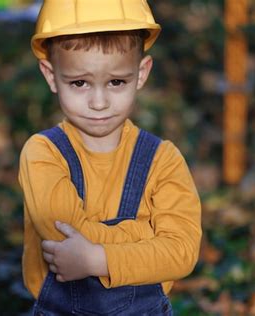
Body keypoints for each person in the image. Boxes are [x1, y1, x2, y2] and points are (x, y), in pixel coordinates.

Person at [18, 0, 202, 314]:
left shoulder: (163, 160)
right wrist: (147, 236)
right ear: (51, 75)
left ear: (141, 73)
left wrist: (95, 259)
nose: (99, 102)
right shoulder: (42, 154)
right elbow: (64, 236)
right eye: (79, 83)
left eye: (116, 82)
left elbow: (182, 252)